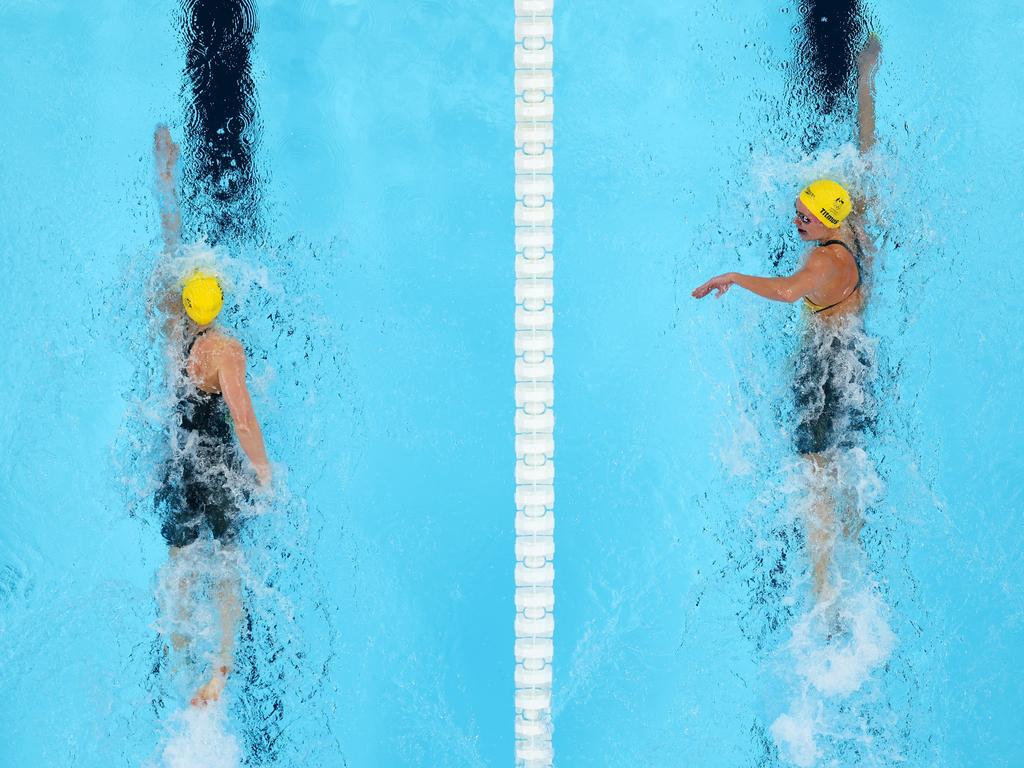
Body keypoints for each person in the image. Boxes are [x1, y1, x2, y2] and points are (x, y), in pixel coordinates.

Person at [692, 36, 881, 605]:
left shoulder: (825, 262)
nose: (794, 218)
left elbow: (786, 289)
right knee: (837, 463)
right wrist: (864, 78)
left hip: (827, 364)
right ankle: (845, 551)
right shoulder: (857, 217)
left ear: (825, 224)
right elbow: (866, 144)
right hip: (856, 353)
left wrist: (733, 277)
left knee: (814, 470)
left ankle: (826, 592)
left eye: (803, 216)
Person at [151, 124, 272, 706]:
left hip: (177, 459)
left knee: (179, 559)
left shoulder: (173, 327)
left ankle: (176, 651)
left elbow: (169, 245)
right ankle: (220, 670)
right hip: (215, 462)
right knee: (228, 562)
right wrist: (266, 473)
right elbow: (243, 420)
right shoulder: (225, 351)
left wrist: (167, 179)